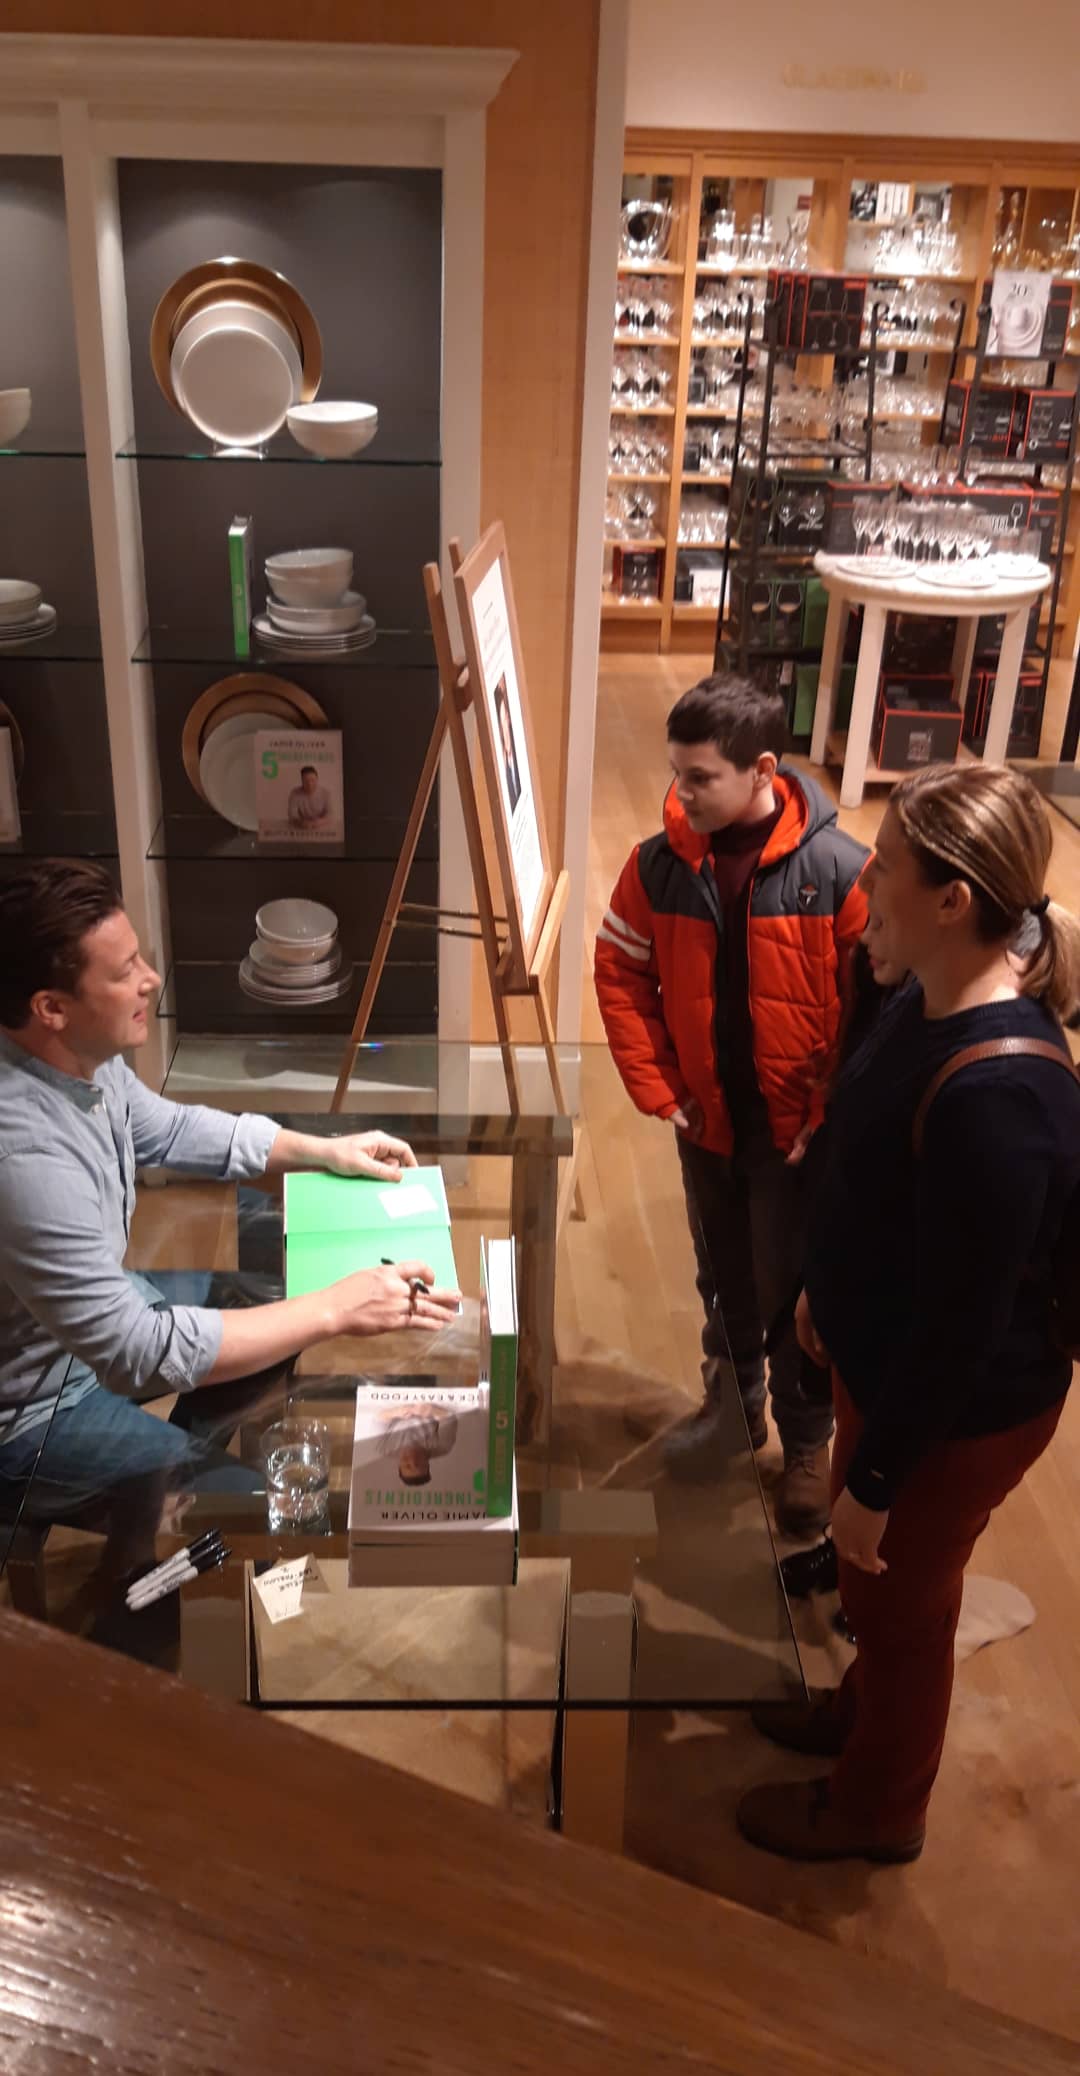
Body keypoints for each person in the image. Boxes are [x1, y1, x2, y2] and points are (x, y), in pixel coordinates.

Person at [738, 763, 1080, 1863]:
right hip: (886, 1373)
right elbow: (870, 1178)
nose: (864, 884)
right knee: (881, 1597)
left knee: (900, 1607)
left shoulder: (1001, 1096)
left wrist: (878, 1485)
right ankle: (861, 1715)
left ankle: (879, 1811)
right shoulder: (916, 997)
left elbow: (961, 1331)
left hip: (952, 1417)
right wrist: (822, 1295)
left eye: (885, 867)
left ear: (953, 900)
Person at [0, 860, 460, 1547]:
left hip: (80, 1339)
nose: (151, 980)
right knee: (251, 1508)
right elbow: (134, 1349)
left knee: (265, 1307)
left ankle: (163, 1496)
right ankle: (150, 1559)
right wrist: (336, 1307)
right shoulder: (25, 1160)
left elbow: (167, 1128)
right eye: (125, 972)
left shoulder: (78, 1060)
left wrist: (322, 1150)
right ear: (52, 1008)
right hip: (31, 1410)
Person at [595, 671, 868, 1534]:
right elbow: (619, 970)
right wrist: (660, 1090)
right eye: (677, 773)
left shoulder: (841, 871)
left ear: (763, 771)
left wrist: (825, 1112)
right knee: (721, 1273)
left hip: (796, 1139)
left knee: (794, 1286)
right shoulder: (658, 866)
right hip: (706, 1125)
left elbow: (873, 1011)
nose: (682, 792)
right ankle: (734, 1409)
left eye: (701, 776)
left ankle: (807, 1445)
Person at [494, 680, 522, 814]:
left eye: (505, 718)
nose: (505, 724)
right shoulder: (502, 768)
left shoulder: (520, 754)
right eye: (502, 722)